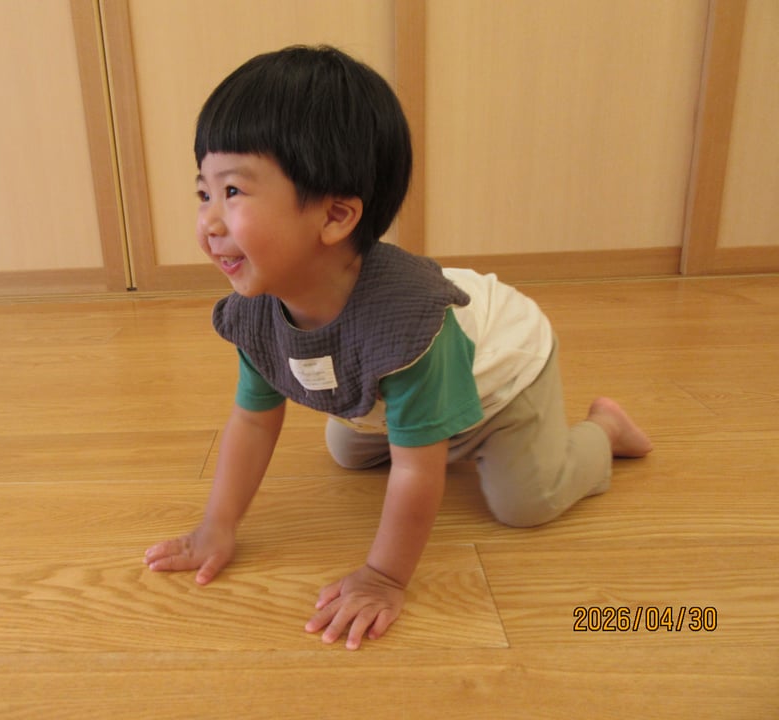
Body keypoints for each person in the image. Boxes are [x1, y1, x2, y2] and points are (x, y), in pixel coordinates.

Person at [144, 45, 652, 651]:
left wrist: (384, 577)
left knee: (525, 501)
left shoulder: (410, 329)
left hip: (506, 371)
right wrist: (217, 525)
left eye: (233, 191)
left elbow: (416, 471)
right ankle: (438, 427)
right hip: (400, 383)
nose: (208, 222)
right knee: (346, 448)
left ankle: (604, 431)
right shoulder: (258, 308)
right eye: (203, 193)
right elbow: (253, 420)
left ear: (335, 216)